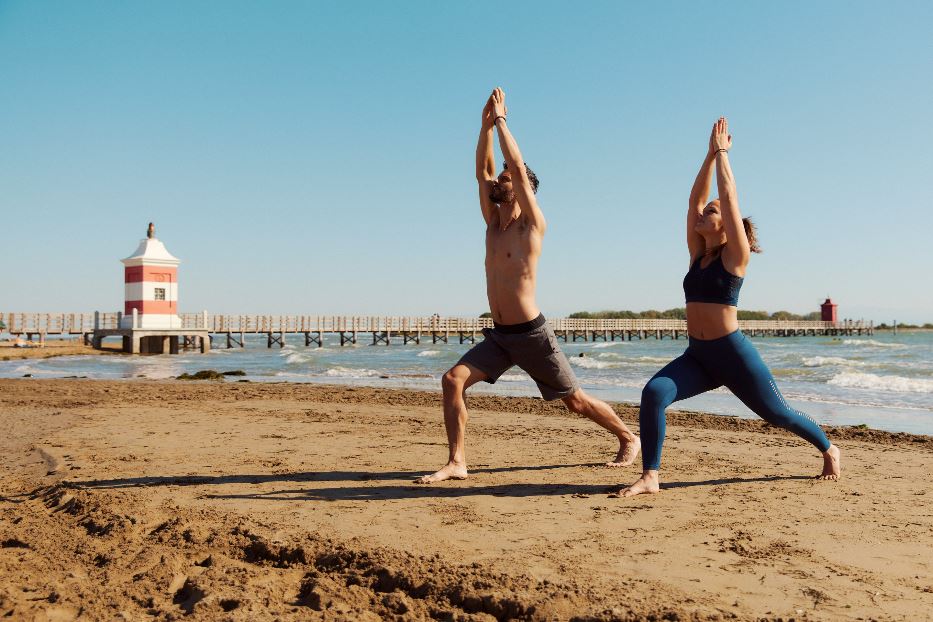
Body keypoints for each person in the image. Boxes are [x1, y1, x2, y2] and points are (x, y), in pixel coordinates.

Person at [416, 88, 640, 484]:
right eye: (499, 180)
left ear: (523, 189)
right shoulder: (493, 224)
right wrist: (484, 127)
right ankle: (457, 462)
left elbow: (515, 167)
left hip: (532, 335)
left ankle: (628, 437)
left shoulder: (531, 225)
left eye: (506, 180)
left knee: (574, 401)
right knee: (453, 380)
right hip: (501, 336)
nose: (498, 183)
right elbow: (482, 170)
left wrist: (502, 122)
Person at [619, 118, 841, 497]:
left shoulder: (735, 257)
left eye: (713, 212)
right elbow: (692, 201)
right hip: (698, 356)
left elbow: (730, 197)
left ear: (729, 227)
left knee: (778, 414)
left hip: (733, 354)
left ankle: (829, 448)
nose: (704, 213)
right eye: (706, 211)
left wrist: (723, 153)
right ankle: (651, 476)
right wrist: (707, 155)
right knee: (654, 393)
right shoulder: (697, 256)